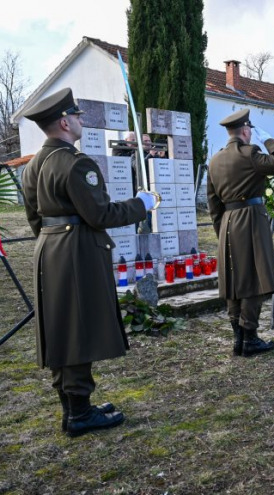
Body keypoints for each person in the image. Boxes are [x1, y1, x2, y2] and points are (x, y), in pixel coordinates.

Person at [20, 88, 158, 437]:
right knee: (77, 330)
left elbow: (35, 219)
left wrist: (53, 243)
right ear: (64, 122)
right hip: (76, 251)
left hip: (48, 251)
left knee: (60, 331)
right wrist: (142, 204)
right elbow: (100, 214)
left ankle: (73, 410)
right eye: (77, 115)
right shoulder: (76, 163)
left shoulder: (34, 164)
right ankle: (80, 414)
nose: (81, 120)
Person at [206, 109, 274, 357]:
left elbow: (213, 204)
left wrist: (221, 231)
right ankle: (250, 337)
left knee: (234, 280)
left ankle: (238, 337)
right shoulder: (250, 153)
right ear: (245, 131)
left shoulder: (215, 160)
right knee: (253, 278)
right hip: (251, 220)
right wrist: (268, 141)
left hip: (228, 222)